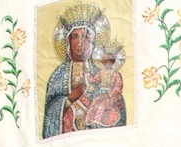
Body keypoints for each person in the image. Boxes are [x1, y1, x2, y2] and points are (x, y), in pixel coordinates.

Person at [43, 4, 126, 138]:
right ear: (68, 41)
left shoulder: (102, 71)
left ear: (93, 42)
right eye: (75, 36)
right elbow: (48, 111)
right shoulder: (59, 74)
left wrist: (115, 100)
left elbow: (116, 99)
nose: (80, 42)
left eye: (85, 36)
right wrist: (68, 100)